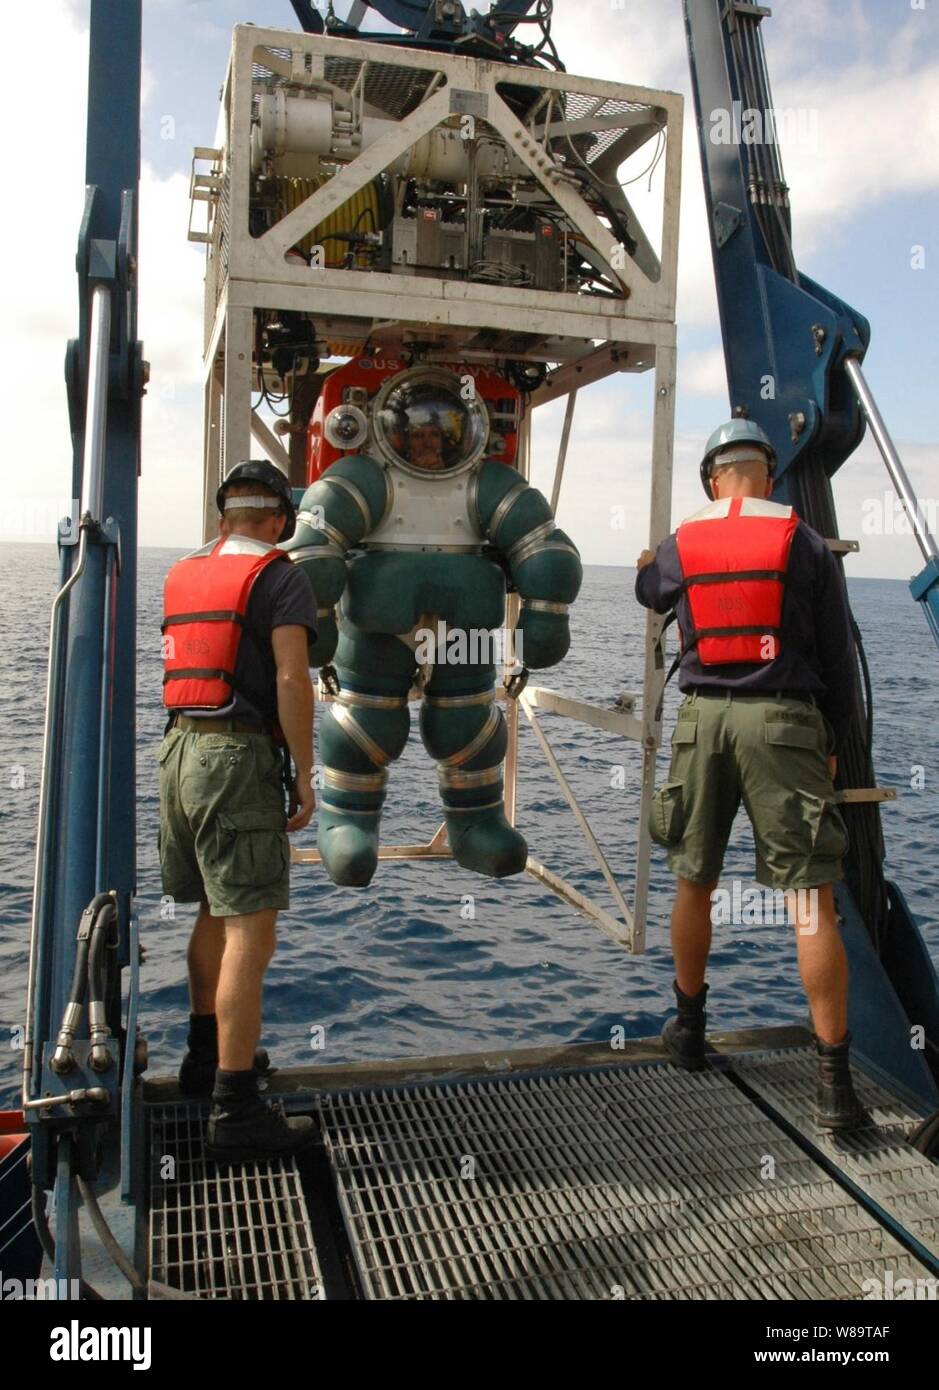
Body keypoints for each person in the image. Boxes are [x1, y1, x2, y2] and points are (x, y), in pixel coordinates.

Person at [635, 419, 868, 1131]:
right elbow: (834, 653)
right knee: (809, 903)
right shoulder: (801, 543)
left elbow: (649, 591)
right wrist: (837, 744)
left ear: (712, 477)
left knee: (692, 879)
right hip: (783, 722)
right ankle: (833, 1088)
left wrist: (651, 561)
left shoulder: (683, 545)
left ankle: (688, 1031)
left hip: (703, 720)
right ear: (767, 475)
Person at [159, 459, 319, 1162]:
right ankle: (235, 1110)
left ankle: (203, 1061)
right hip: (234, 761)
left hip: (177, 754)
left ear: (223, 515)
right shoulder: (280, 575)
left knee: (209, 915)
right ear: (280, 518)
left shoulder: (184, 571)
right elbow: (291, 676)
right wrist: (305, 771)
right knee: (250, 931)